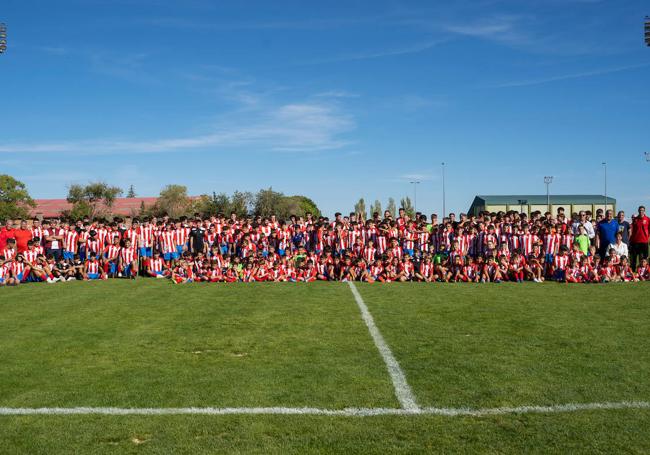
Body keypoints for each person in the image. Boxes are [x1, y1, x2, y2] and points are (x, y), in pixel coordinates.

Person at [629, 206, 649, 270]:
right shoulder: (635, 219)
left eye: (642, 210)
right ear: (638, 211)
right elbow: (632, 230)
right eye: (640, 210)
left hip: (644, 241)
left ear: (644, 211)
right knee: (633, 257)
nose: (641, 211)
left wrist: (648, 238)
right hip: (635, 241)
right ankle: (633, 270)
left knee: (644, 258)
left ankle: (644, 270)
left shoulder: (648, 219)